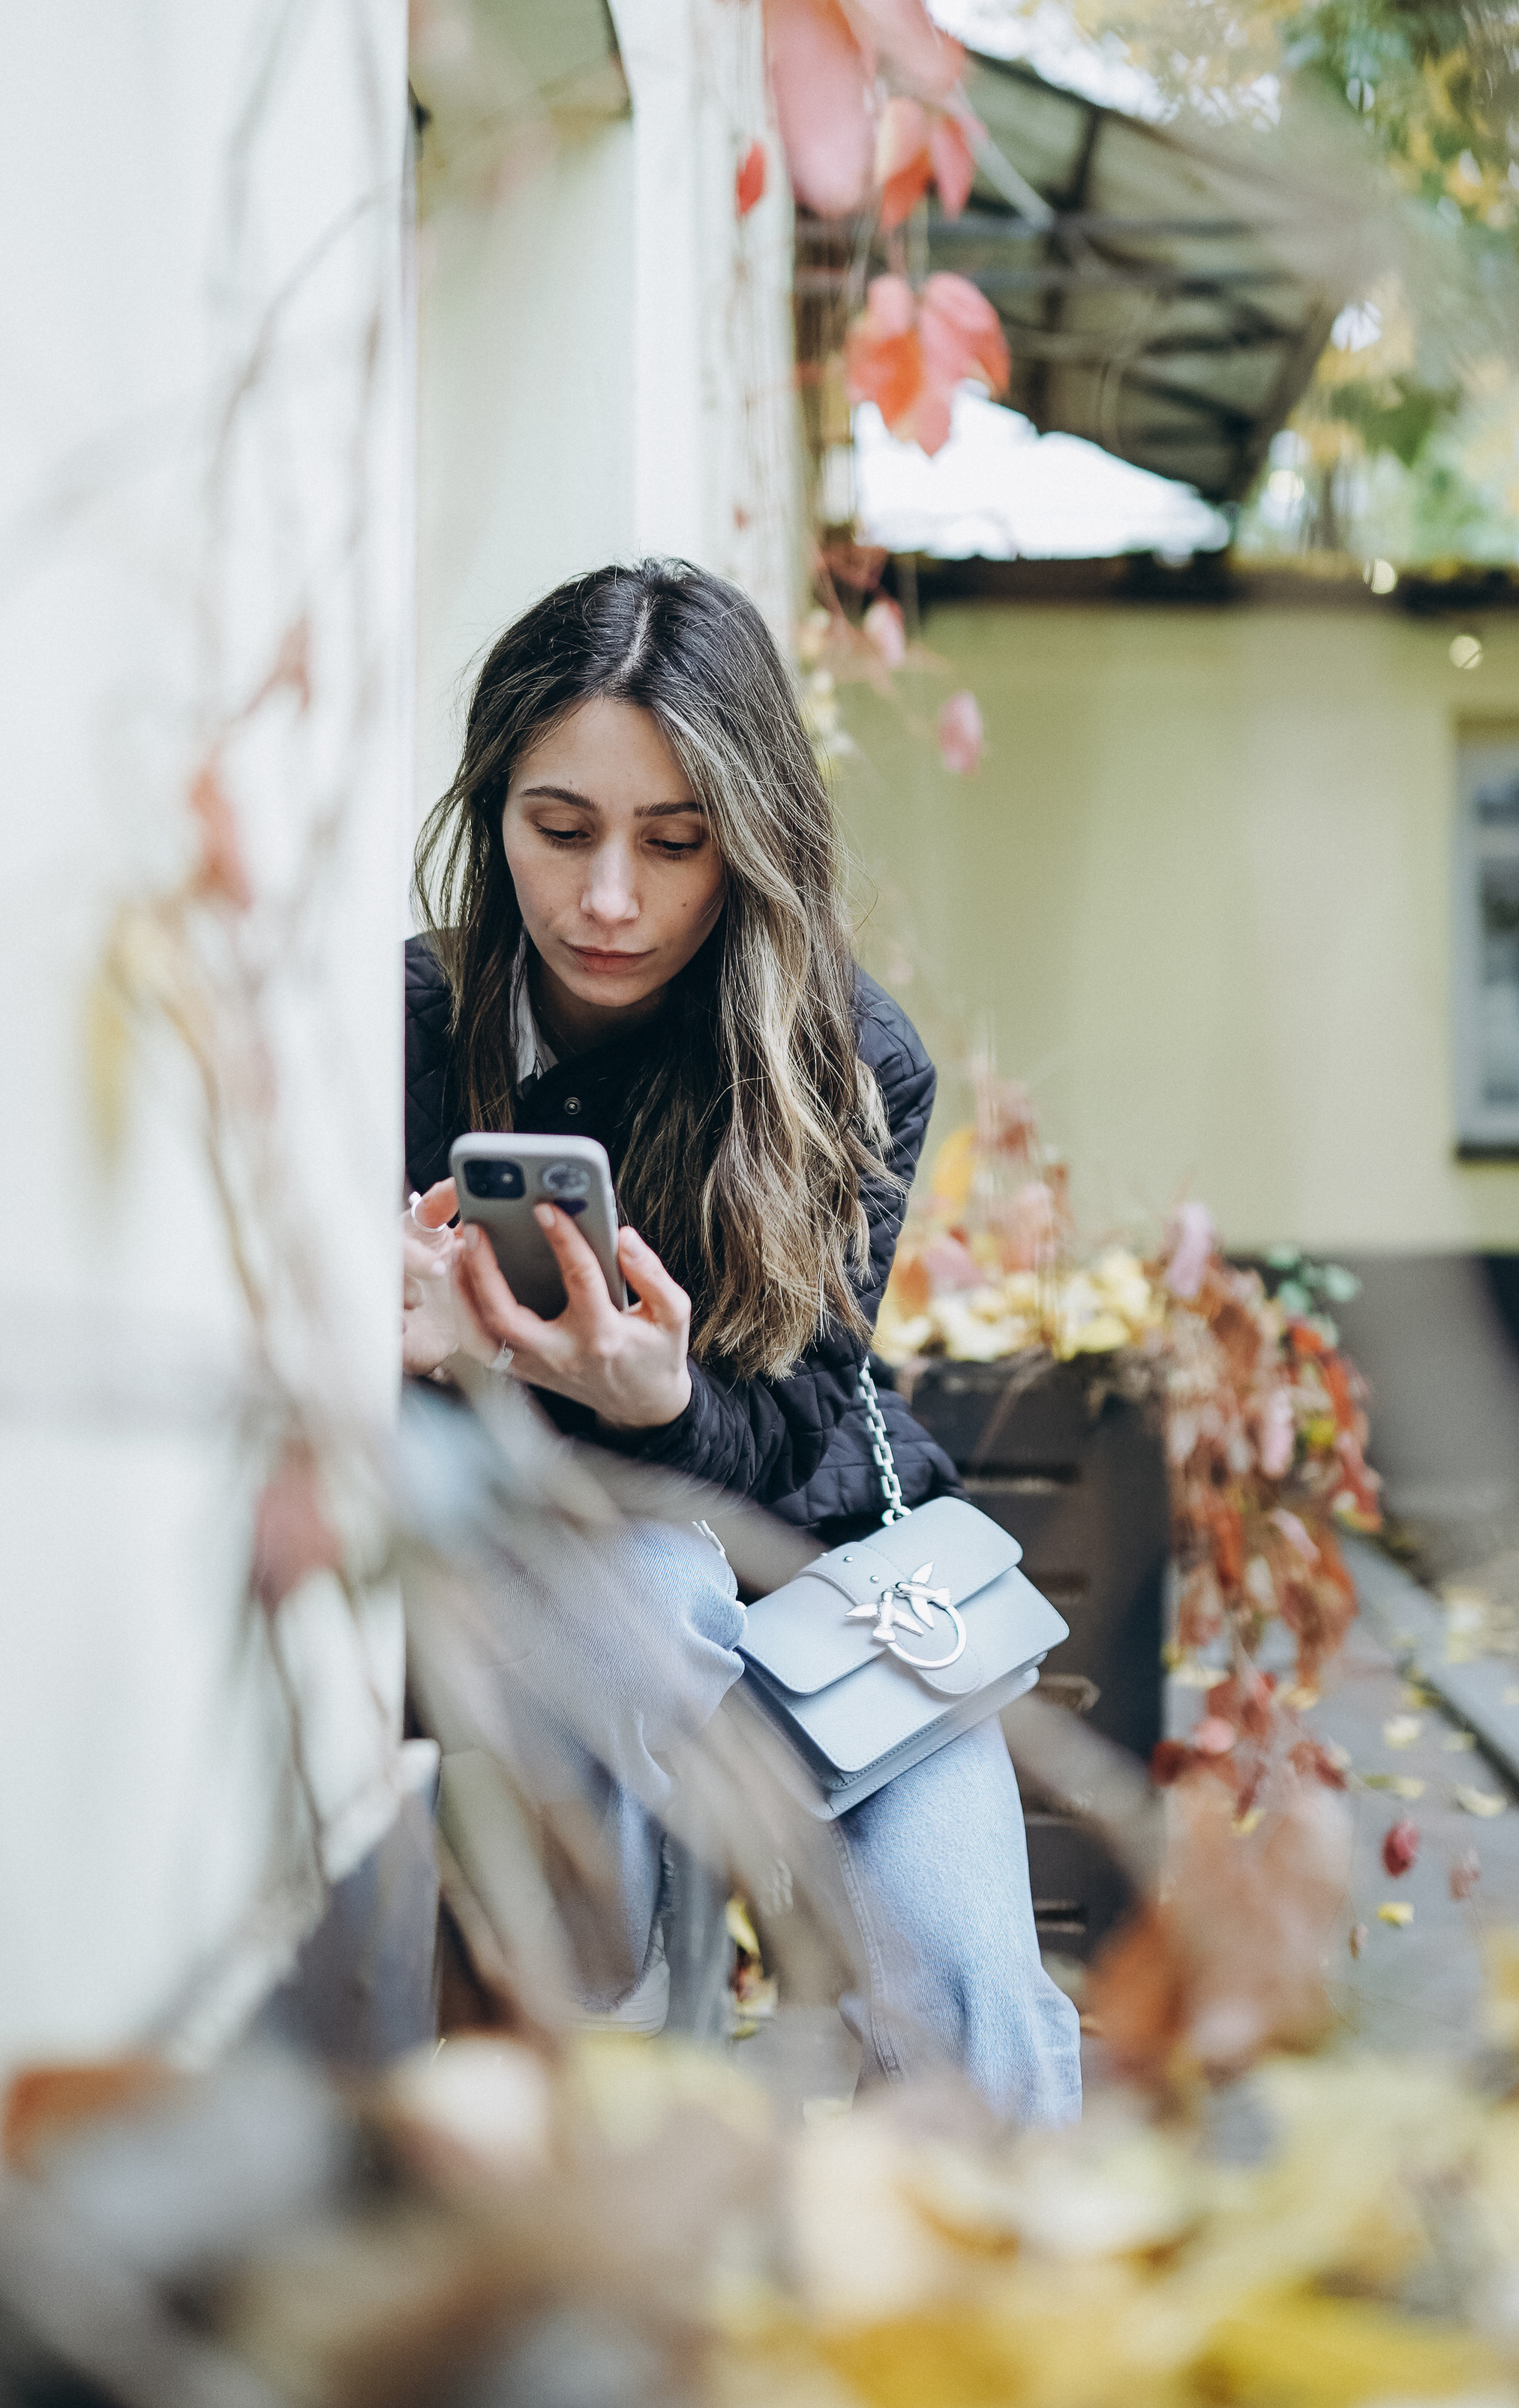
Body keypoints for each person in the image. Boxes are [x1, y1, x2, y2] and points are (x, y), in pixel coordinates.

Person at [401, 559, 1081, 2121]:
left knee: (978, 1996)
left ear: (750, 842)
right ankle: (649, 2122)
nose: (610, 900)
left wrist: (655, 1402)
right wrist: (400, 1328)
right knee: (643, 1582)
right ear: (492, 810)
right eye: (559, 831)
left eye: (675, 842)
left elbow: (801, 1432)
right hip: (573, 1599)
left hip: (819, 1607)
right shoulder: (408, 1028)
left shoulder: (845, 1063)